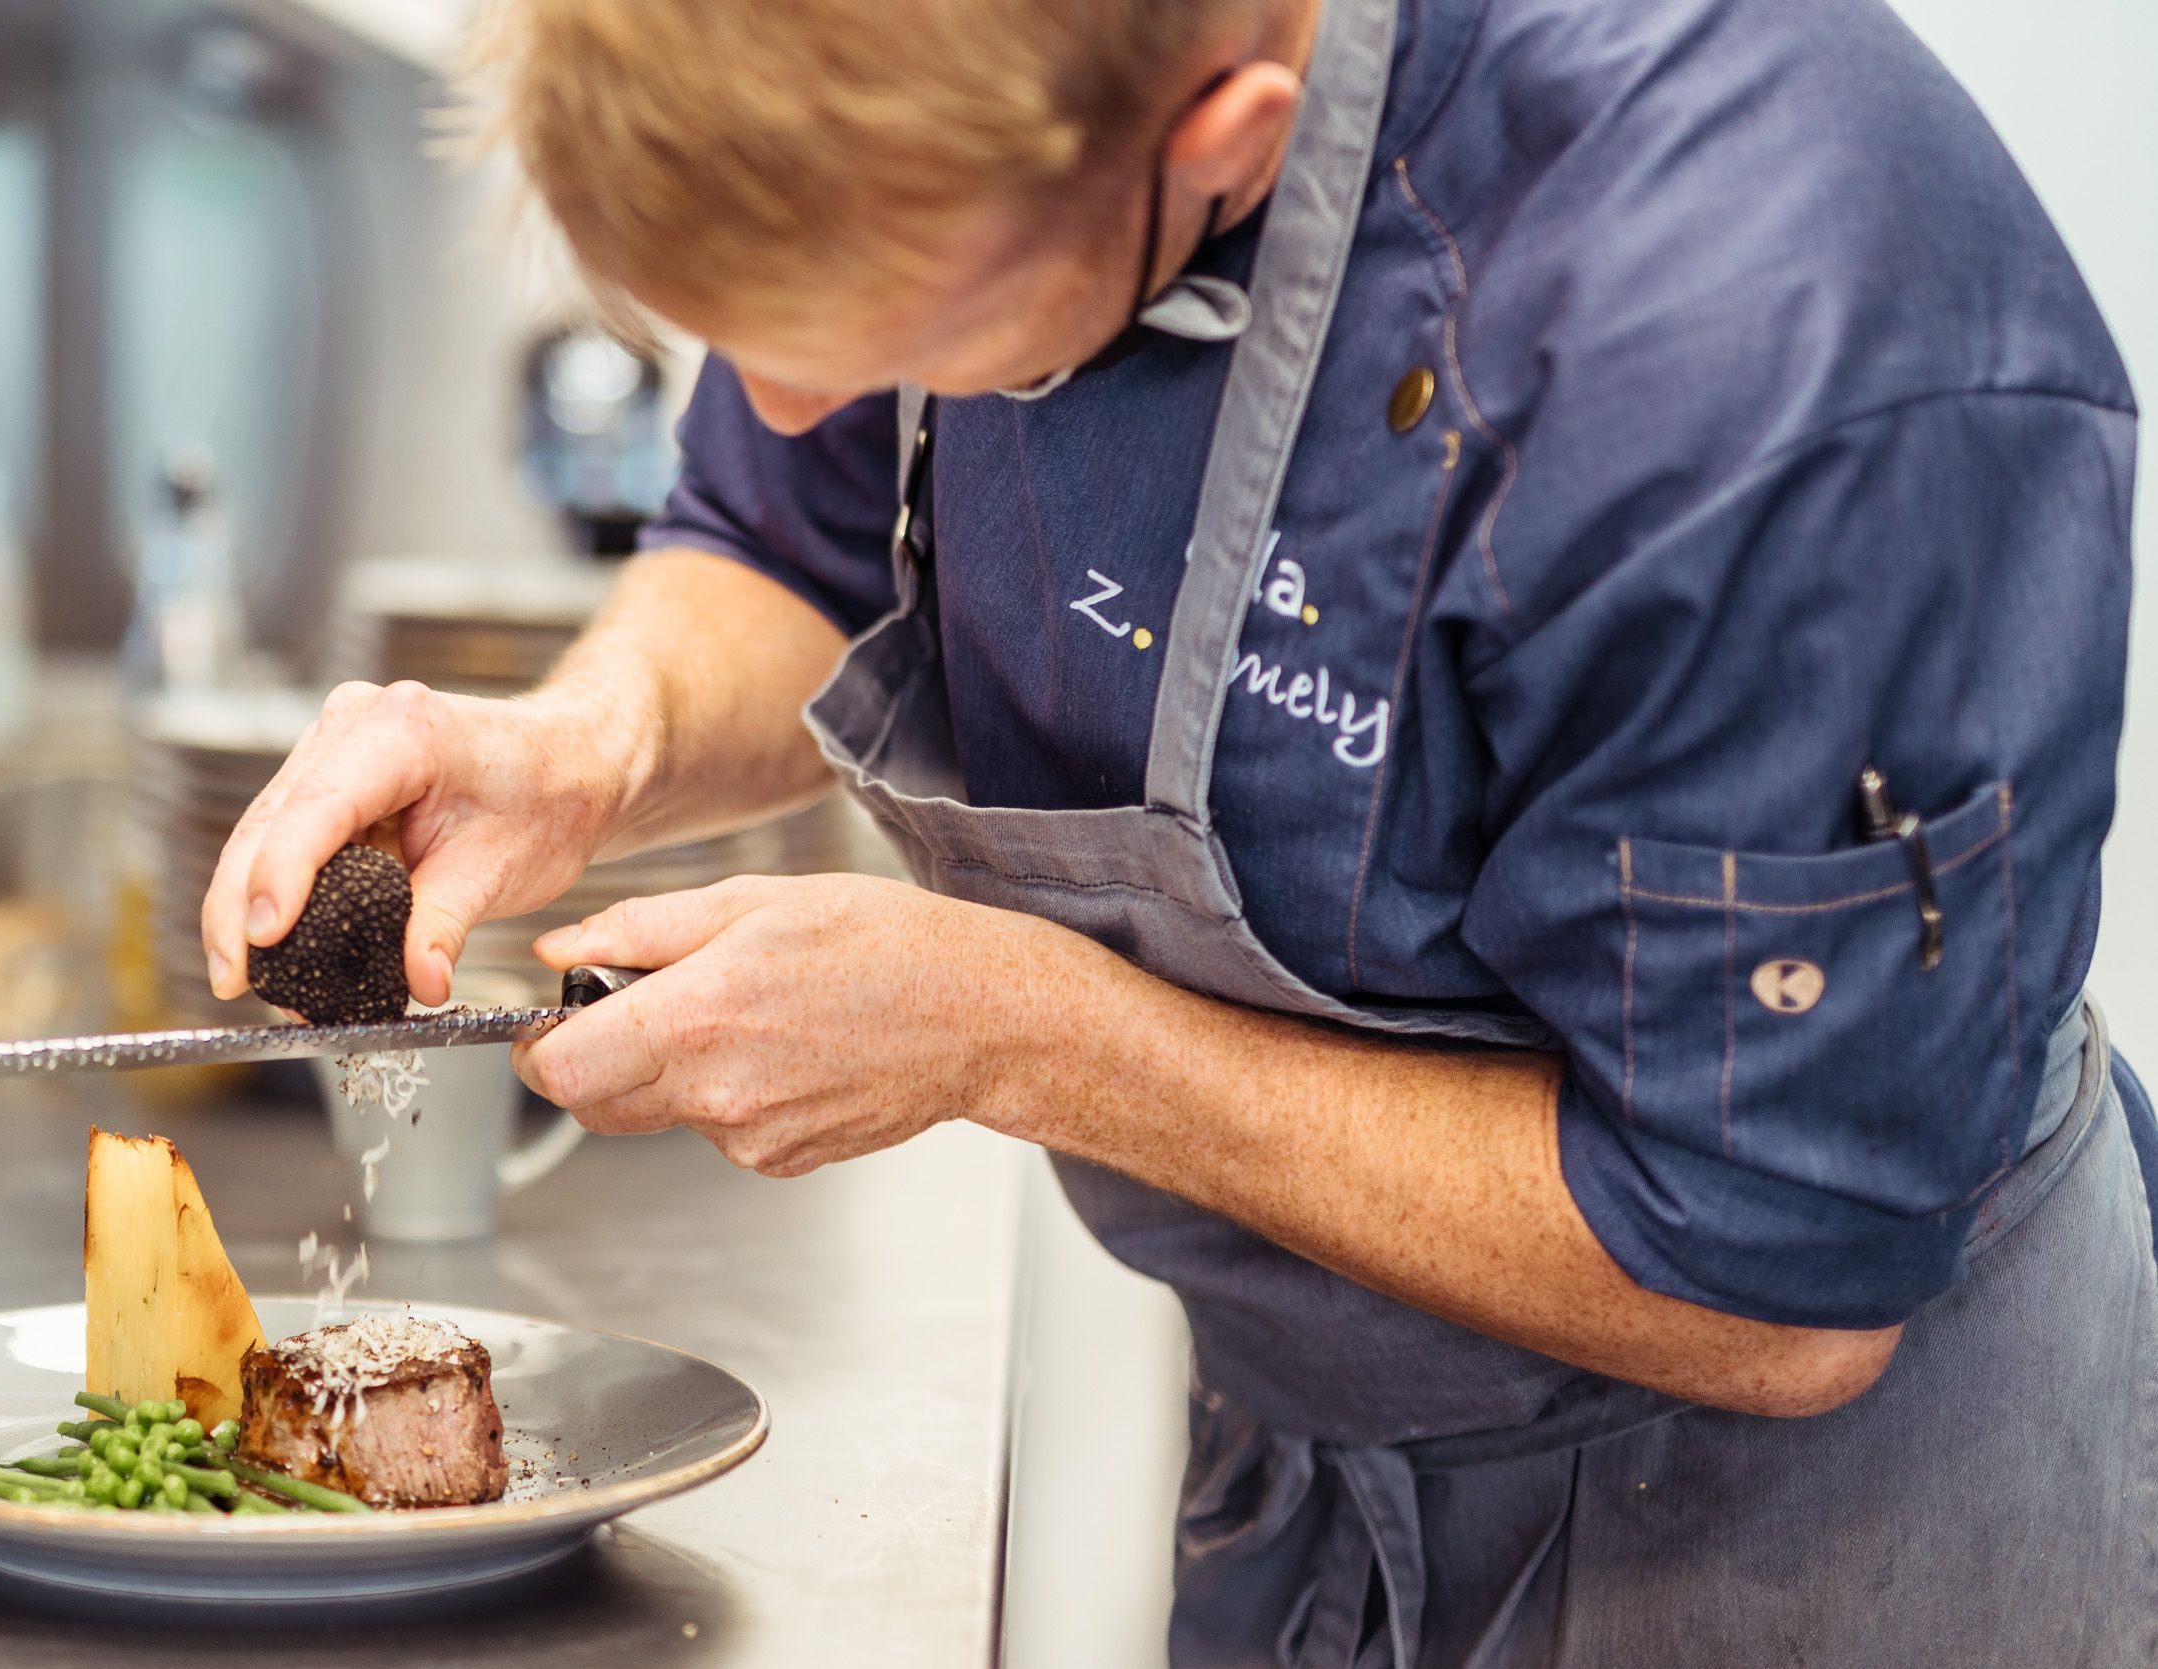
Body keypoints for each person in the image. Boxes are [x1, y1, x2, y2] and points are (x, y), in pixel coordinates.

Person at [201, 0, 2156, 1658]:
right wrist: (588, 740)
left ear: (1229, 135)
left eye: (887, 337)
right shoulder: (939, 136)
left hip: (1804, 1530)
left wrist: (1011, 1031)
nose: (793, 395)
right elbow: (784, 530)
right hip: (1296, 1463)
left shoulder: (1767, 334)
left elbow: (1763, 1287)